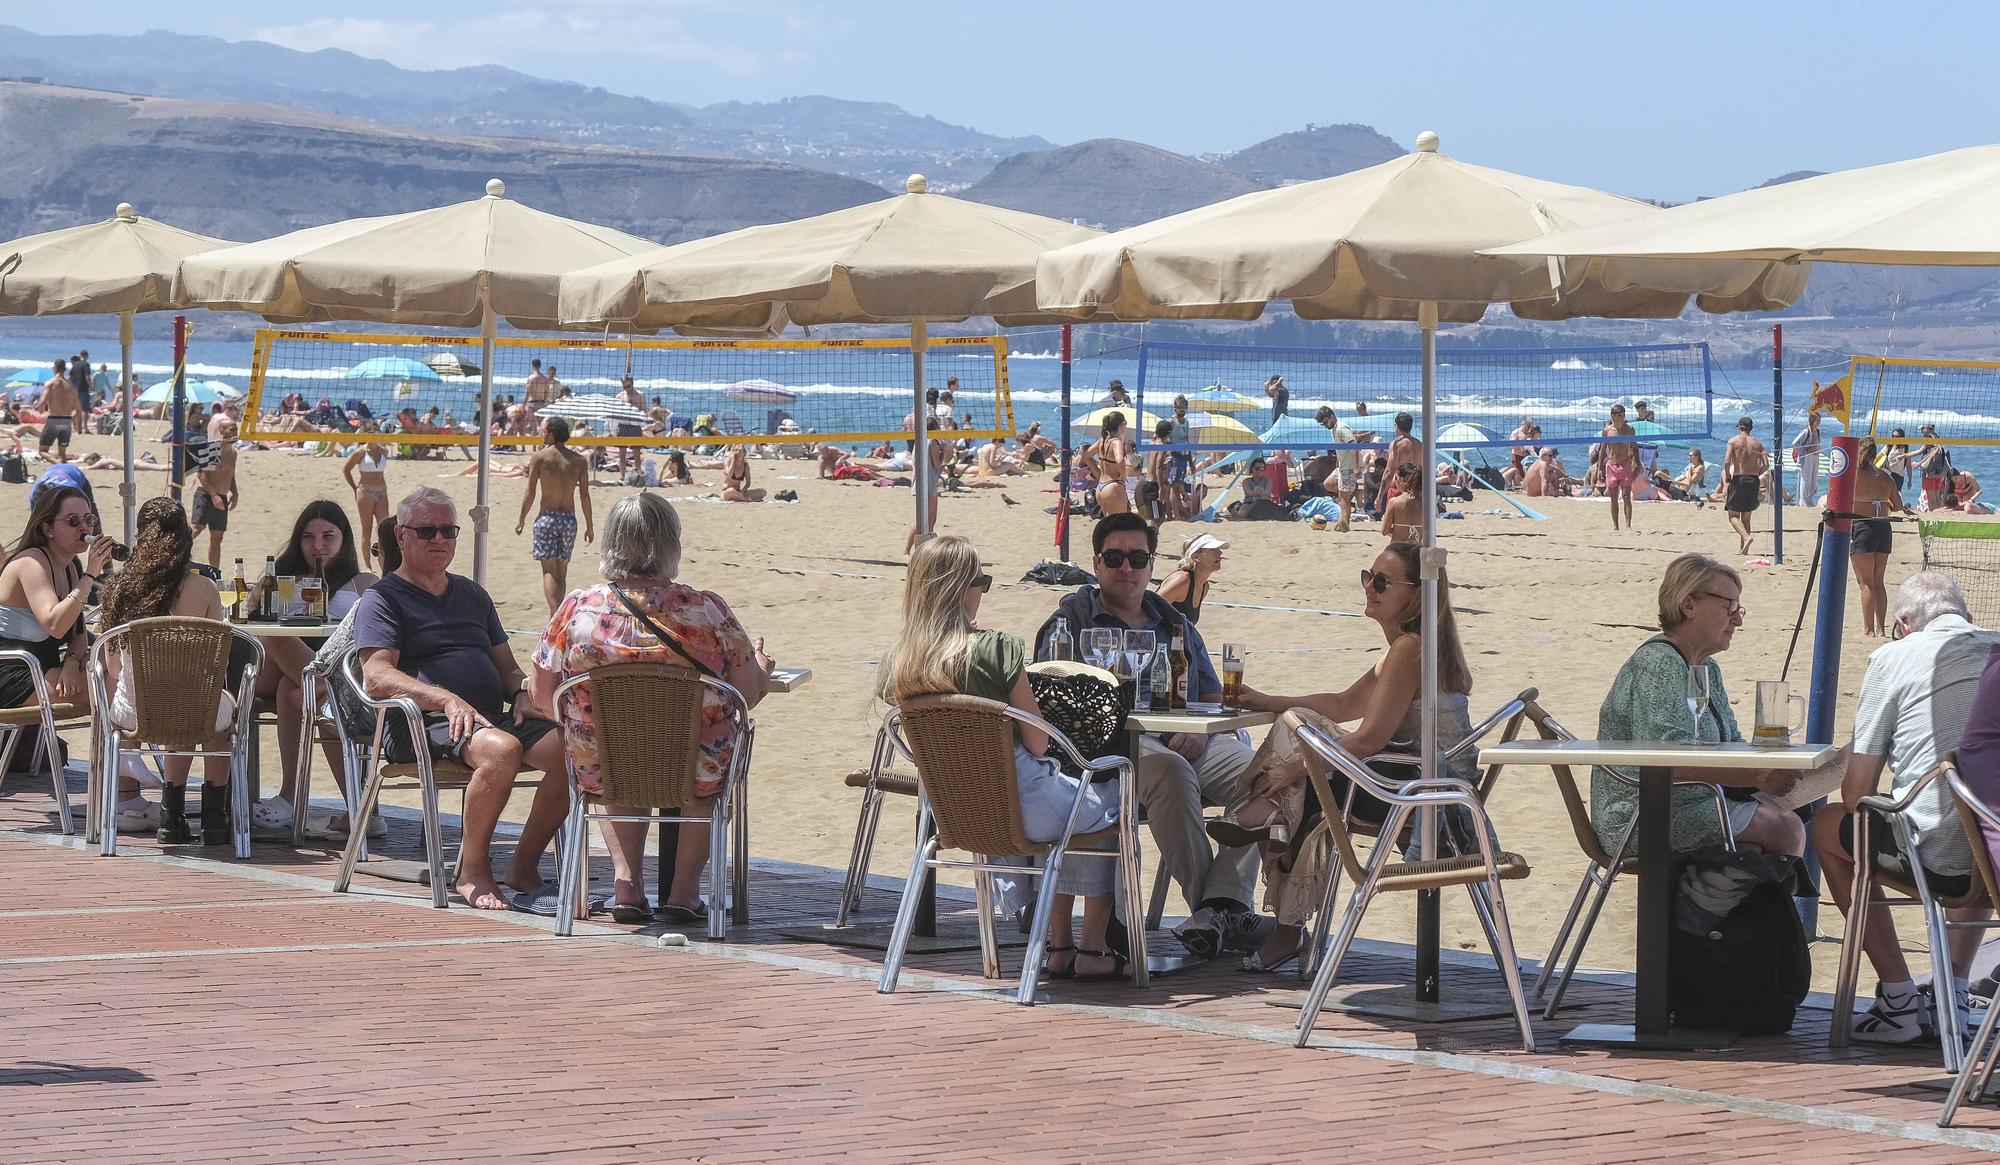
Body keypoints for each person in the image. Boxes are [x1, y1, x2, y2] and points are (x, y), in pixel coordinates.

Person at [1222, 541, 1480, 971]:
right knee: (1297, 727)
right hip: (1420, 780)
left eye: (1382, 581)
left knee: (1303, 777)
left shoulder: (1409, 649)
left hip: (1417, 790)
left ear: (1415, 594)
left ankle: (1271, 829)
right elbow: (1344, 705)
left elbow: (1368, 740)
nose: (1370, 588)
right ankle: (1273, 823)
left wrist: (1294, 769)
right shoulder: (1409, 645)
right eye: (1368, 577)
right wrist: (1268, 700)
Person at [886, 534, 1131, 978]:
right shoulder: (997, 648)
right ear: (963, 588)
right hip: (1023, 808)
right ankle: (1092, 949)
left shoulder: (901, 660)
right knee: (1110, 799)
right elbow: (1038, 743)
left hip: (955, 811)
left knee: (1058, 804)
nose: (983, 589)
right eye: (982, 579)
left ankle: (1057, 946)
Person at [534, 493, 772, 923]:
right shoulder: (706, 609)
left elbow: (542, 695)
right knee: (706, 762)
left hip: (603, 761)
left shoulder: (577, 608)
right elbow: (748, 693)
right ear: (670, 544)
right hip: (694, 765)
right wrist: (760, 667)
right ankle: (684, 892)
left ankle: (627, 886)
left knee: (614, 757)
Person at [1032, 513, 1260, 960]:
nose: (1126, 568)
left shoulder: (1172, 621)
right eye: (1114, 558)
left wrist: (1193, 728)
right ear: (1096, 564)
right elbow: (1050, 698)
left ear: (1152, 564)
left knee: (1263, 774)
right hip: (1109, 751)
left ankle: (1220, 906)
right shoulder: (1071, 621)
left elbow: (1212, 693)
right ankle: (1213, 909)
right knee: (1171, 772)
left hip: (1189, 736)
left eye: (1137, 558)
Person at [355, 488, 566, 911]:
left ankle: (522, 866)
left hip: (488, 718)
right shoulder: (383, 599)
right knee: (502, 751)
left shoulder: (472, 595)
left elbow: (507, 668)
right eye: (426, 530)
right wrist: (445, 699)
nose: (439, 540)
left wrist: (522, 693)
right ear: (401, 536)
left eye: (448, 531)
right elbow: (376, 676)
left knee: (576, 748)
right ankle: (472, 870)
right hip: (419, 723)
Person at [1810, 572, 1997, 1042]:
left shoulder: (1892, 658)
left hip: (1938, 860)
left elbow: (1858, 793)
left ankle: (1897, 998)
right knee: (1972, 821)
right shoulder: (1994, 652)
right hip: (1995, 856)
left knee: (1828, 825)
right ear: (1969, 619)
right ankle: (1952, 990)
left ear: (1901, 624)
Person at [1593, 553, 1844, 857]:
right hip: (1641, 815)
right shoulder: (1657, 664)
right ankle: (1739, 900)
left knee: (1791, 816)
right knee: (1782, 827)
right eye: (1729, 606)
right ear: (1689, 606)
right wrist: (1756, 776)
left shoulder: (1706, 668)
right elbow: (1665, 760)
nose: (1737, 619)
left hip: (1696, 802)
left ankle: (1732, 899)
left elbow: (1731, 744)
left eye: (1739, 609)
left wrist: (1782, 765)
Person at [97, 498, 236, 844]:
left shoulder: (119, 589)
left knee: (181, 704)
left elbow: (113, 668)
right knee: (209, 707)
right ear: (185, 539)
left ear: (140, 538)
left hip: (134, 712)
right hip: (189, 706)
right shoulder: (203, 588)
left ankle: (171, 816)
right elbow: (217, 665)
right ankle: (213, 818)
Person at [244, 501, 380, 832]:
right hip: (285, 663)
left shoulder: (362, 582)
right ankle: (358, 811)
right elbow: (255, 621)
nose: (318, 545)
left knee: (292, 692)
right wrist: (259, 599)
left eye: (328, 536)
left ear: (345, 539)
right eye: (309, 537)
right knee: (275, 639)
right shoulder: (283, 579)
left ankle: (295, 798)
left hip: (343, 672)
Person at [0, 487, 130, 821]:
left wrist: (74, 662)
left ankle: (124, 779)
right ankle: (125, 779)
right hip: (11, 669)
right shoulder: (31, 563)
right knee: (103, 690)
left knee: (114, 670)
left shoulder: (69, 565)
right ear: (47, 528)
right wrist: (90, 574)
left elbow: (77, 632)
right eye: (73, 521)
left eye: (88, 519)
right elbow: (55, 623)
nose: (83, 528)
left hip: (42, 666)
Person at [516, 416, 594, 615]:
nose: (542, 434)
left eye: (544, 431)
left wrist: (521, 519)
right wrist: (589, 525)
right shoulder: (578, 460)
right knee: (562, 571)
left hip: (547, 519)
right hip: (569, 520)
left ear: (551, 433)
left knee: (549, 571)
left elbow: (530, 492)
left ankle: (556, 614)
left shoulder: (540, 457)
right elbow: (584, 495)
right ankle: (558, 614)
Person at [1847, 440, 1908, 637]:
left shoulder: (1853, 475)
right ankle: (1881, 629)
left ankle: (1868, 630)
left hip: (1862, 525)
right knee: (1879, 582)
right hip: (1883, 526)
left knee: (1865, 583)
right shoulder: (1885, 477)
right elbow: (1898, 506)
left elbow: (1837, 499)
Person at [1157, 533, 1226, 625]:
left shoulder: (1204, 587)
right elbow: (1149, 609)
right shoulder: (1182, 581)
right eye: (1213, 549)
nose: (1220, 553)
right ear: (1196, 557)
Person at [1723, 416, 1768, 557]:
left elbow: (1726, 461)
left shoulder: (1733, 441)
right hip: (1753, 480)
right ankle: (1744, 550)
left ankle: (1746, 538)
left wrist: (1728, 476)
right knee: (1746, 517)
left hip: (1739, 479)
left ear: (1740, 427)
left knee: (1733, 515)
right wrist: (1757, 472)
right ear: (1750, 428)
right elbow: (1766, 464)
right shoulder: (1758, 444)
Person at [343, 442, 391, 571]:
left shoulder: (383, 451)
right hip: (365, 492)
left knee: (384, 530)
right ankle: (368, 566)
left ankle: (385, 563)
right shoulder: (360, 452)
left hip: (382, 491)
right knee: (367, 530)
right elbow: (346, 469)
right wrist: (354, 488)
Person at [1314, 405, 1360, 531]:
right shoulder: (1334, 428)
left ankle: (1344, 525)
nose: (1325, 425)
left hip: (1349, 468)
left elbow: (1353, 445)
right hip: (1341, 467)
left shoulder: (1341, 428)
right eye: (1322, 424)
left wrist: (1356, 467)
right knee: (1328, 484)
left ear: (1332, 416)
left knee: (1343, 498)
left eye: (1325, 422)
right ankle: (1350, 490)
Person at [1601, 404, 1638, 531]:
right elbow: (1603, 449)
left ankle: (1628, 526)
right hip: (1611, 465)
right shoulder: (1607, 430)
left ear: (1624, 415)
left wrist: (1637, 463)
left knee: (1627, 496)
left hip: (1625, 464)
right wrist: (1600, 467)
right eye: (1616, 415)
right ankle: (1616, 526)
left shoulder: (1630, 429)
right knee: (1613, 497)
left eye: (1621, 415)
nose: (1619, 417)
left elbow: (1634, 446)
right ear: (1612, 416)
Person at [1091, 411, 1130, 517]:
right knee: (1118, 524)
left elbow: (1086, 456)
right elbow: (1120, 460)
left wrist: (1096, 471)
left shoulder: (1102, 441)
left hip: (1100, 487)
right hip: (1113, 486)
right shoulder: (1116, 442)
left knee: (1108, 524)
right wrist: (1123, 476)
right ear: (1121, 425)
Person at [38, 360, 78, 463]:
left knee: (42, 450)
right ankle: (63, 468)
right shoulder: (71, 386)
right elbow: (79, 409)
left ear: (54, 368)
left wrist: (39, 408)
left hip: (54, 420)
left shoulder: (50, 383)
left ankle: (57, 464)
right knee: (62, 453)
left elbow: (42, 403)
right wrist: (70, 419)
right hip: (67, 420)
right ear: (65, 370)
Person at [1380, 462, 1424, 540]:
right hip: (1417, 547)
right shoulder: (1425, 503)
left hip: (1398, 546)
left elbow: (1384, 531)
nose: (1395, 482)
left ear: (1402, 480)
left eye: (1396, 478)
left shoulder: (1394, 502)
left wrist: (1401, 531)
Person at [1793, 411, 1823, 508]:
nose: (1818, 422)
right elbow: (1795, 443)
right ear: (1812, 420)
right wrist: (1804, 451)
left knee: (1813, 480)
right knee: (1806, 480)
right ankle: (1804, 502)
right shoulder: (1807, 431)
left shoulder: (1817, 431)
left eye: (1819, 420)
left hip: (1816, 457)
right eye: (1816, 420)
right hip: (1808, 457)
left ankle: (1810, 501)